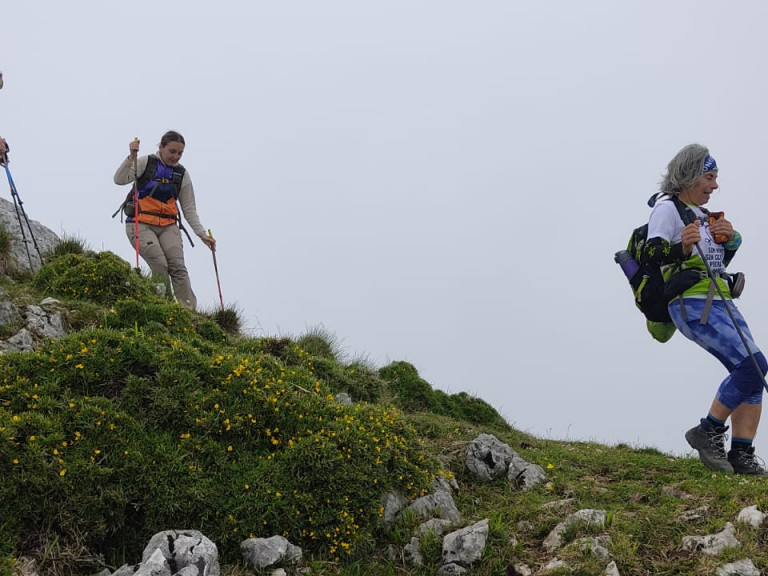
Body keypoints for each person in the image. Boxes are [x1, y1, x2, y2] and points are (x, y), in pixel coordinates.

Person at [645, 143, 768, 476]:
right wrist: (681, 248)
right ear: (689, 176)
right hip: (692, 303)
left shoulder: (703, 214)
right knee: (754, 363)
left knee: (753, 373)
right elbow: (651, 255)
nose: (715, 185)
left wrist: (731, 241)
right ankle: (708, 430)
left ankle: (741, 454)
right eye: (709, 177)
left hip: (721, 300)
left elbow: (714, 262)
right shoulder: (667, 209)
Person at [113, 130, 216, 310]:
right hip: (140, 223)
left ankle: (188, 311)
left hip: (168, 226)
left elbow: (189, 209)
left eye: (180, 153)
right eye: (172, 151)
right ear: (161, 147)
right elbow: (119, 179)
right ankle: (164, 306)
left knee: (178, 268)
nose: (176, 156)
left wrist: (202, 234)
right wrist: (131, 157)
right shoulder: (145, 162)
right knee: (159, 263)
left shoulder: (181, 174)